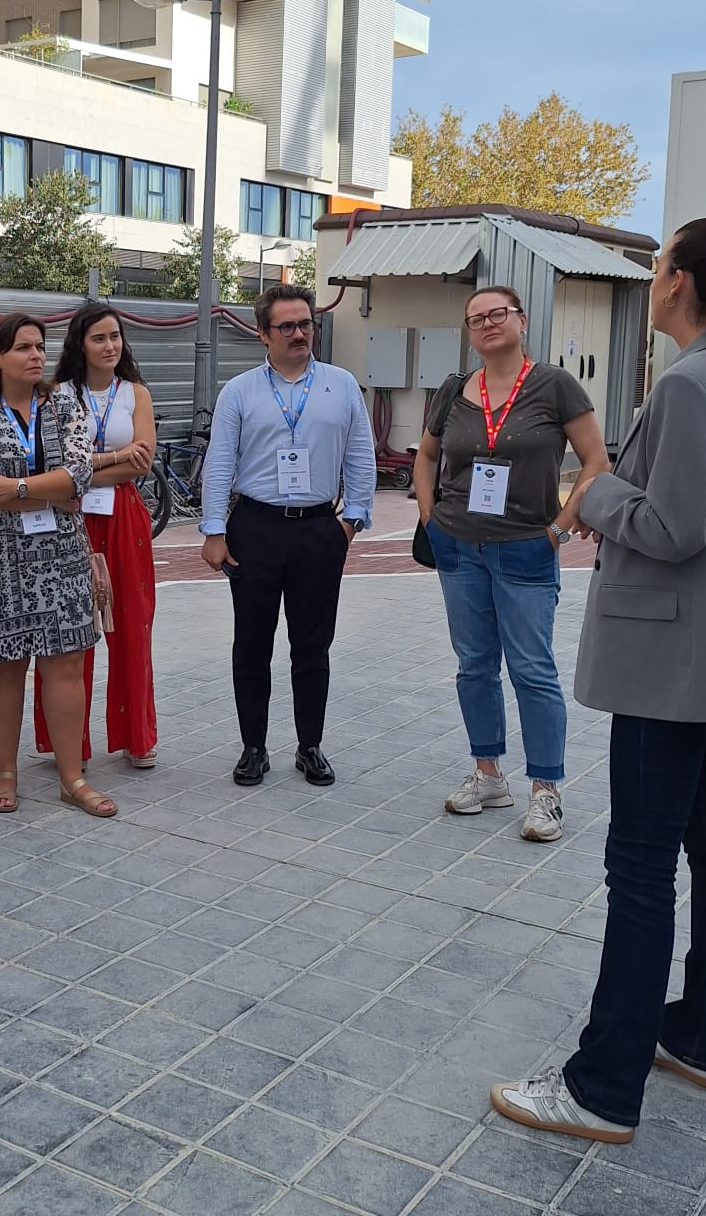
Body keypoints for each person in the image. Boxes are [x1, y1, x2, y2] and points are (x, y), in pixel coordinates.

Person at [492, 218, 706, 1145]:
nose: (653, 277)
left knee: (639, 868)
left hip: (675, 666)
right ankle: (701, 1035)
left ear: (681, 285)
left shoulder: (694, 384)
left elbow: (672, 526)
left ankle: (602, 1086)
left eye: (659, 265)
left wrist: (596, 494)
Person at [414, 285, 610, 842]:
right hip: (458, 546)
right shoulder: (454, 390)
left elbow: (596, 460)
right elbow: (426, 455)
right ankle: (488, 775)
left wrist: (560, 528)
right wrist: (430, 517)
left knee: (532, 669)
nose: (487, 323)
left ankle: (546, 790)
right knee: (474, 664)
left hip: (527, 547)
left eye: (498, 313)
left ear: (521, 320)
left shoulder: (554, 385)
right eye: (476, 318)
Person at [200, 284, 376, 789]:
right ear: (263, 334)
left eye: (306, 324)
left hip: (319, 529)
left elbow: (360, 455)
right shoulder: (239, 391)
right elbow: (219, 463)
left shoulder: (341, 385)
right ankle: (253, 748)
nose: (300, 334)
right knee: (251, 645)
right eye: (287, 326)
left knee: (313, 645)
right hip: (255, 528)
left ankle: (310, 746)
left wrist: (351, 521)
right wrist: (213, 530)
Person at [0, 312, 114, 819]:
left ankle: (72, 778)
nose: (36, 355)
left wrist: (17, 488)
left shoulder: (64, 404)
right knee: (4, 667)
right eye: (23, 347)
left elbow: (80, 476)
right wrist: (51, 491)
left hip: (61, 553)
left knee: (66, 664)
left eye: (40, 346)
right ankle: (5, 771)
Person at [33, 303, 158, 769]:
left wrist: (83, 467)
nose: (110, 346)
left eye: (115, 337)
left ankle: (137, 738)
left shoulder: (136, 394)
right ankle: (67, 742)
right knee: (67, 630)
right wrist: (114, 457)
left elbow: (142, 462)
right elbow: (51, 466)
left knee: (132, 625)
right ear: (80, 344)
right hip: (69, 515)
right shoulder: (56, 395)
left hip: (123, 515)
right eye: (99, 338)